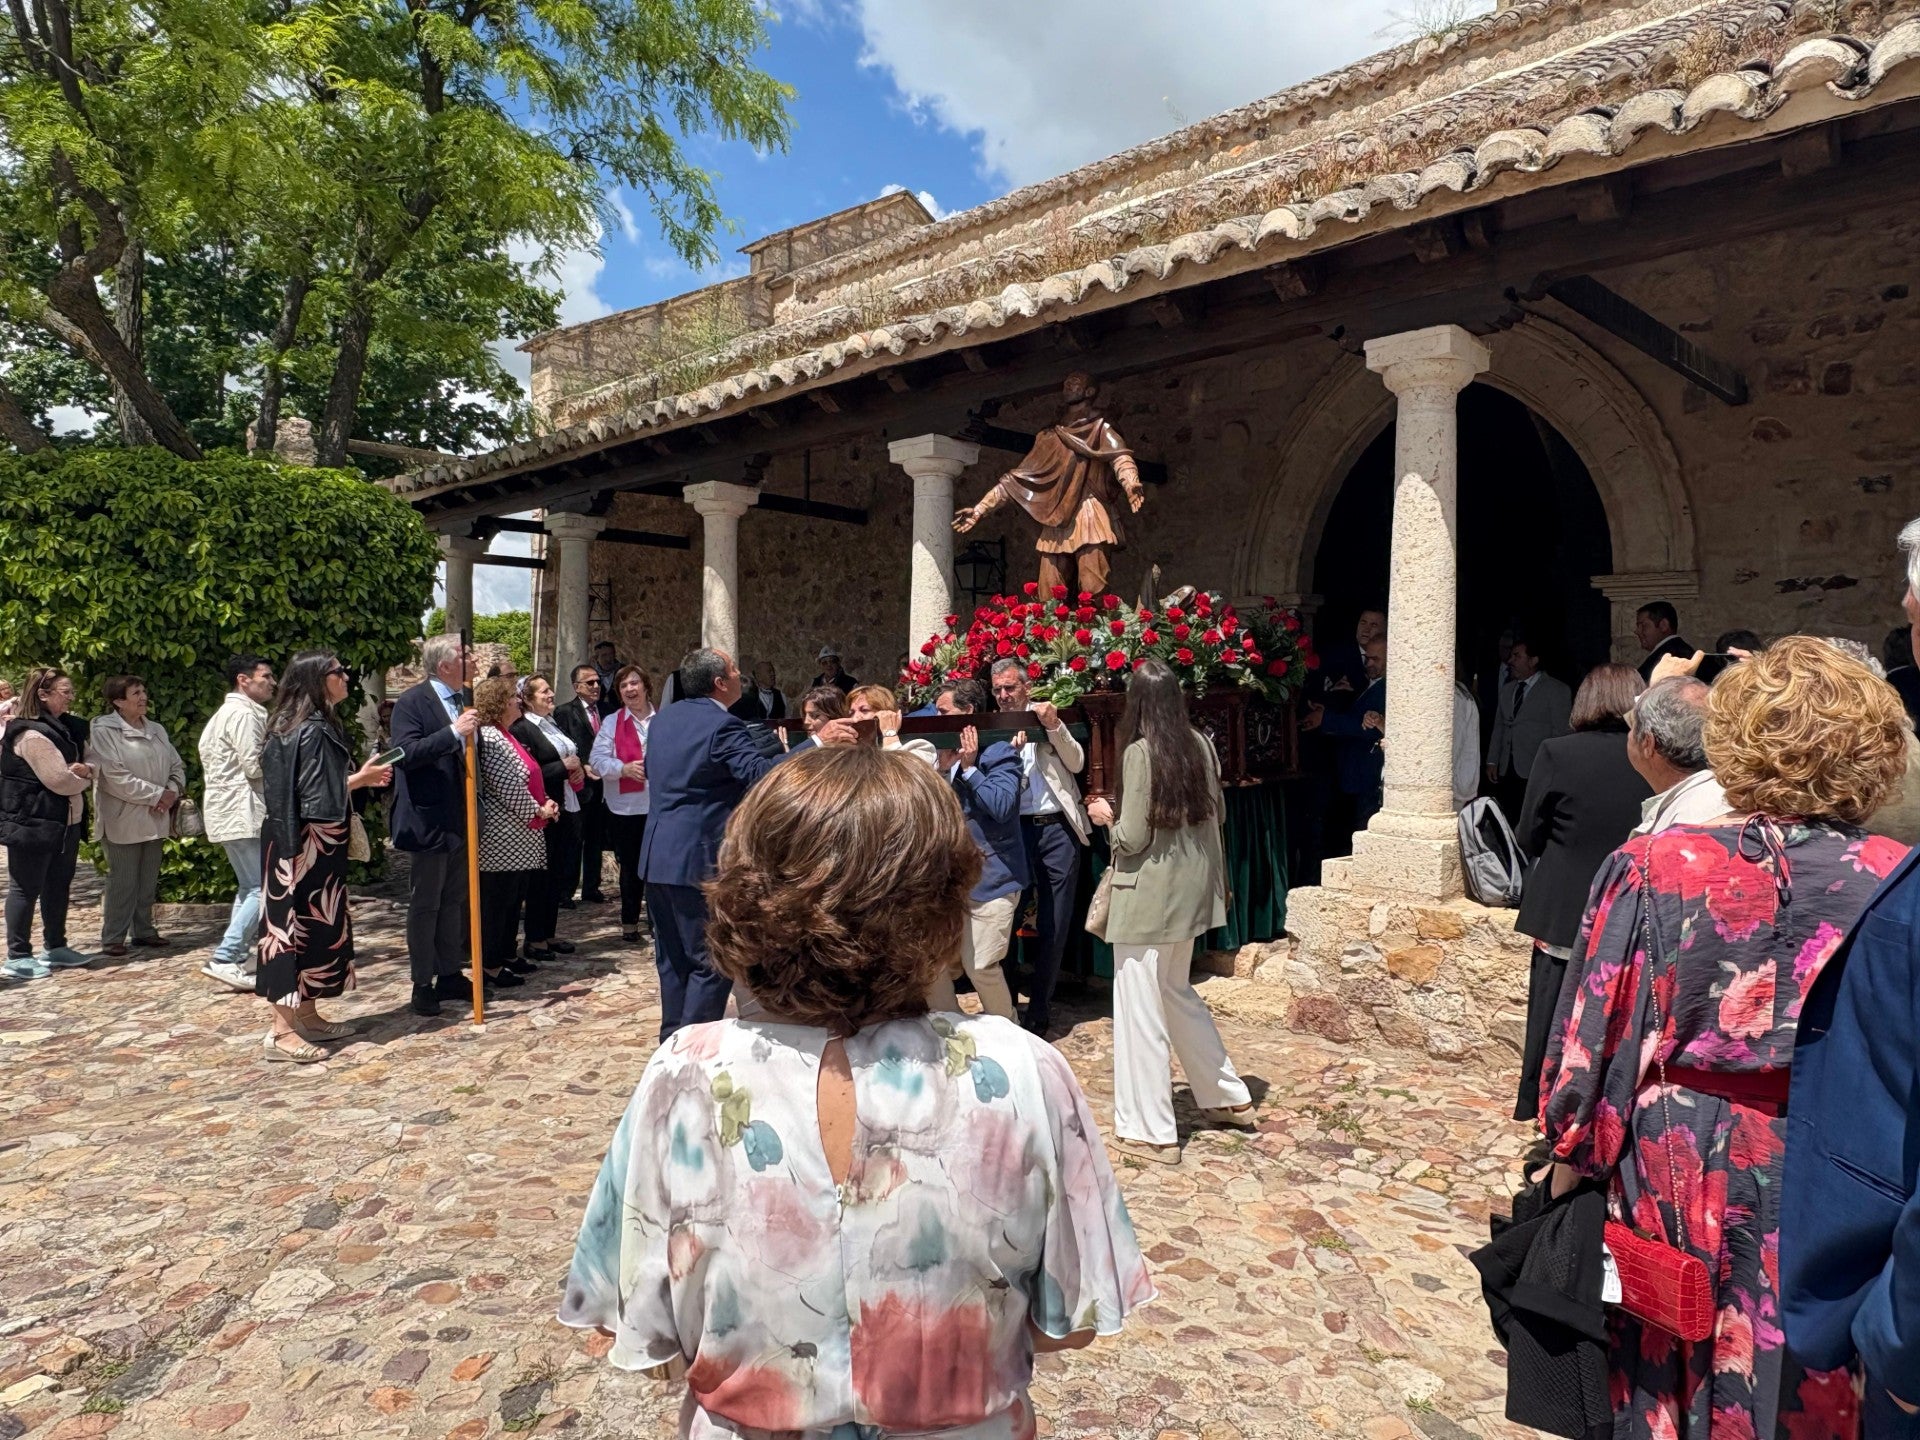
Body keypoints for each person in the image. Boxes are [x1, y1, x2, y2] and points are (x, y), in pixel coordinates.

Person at [558, 745, 1154, 1434]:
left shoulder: (684, 1074)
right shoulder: (1023, 1069)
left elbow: (641, 1334)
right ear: (942, 898)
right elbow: (1070, 1326)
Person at [1540, 635, 1911, 1440]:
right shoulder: (1898, 876)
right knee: (1812, 1383)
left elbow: (1592, 1049)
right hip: (1840, 1165)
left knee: (1670, 1365)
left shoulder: (1654, 867)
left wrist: (1569, 1165)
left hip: (1683, 1164)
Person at [639, 649, 858, 1040]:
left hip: (656, 855)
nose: (741, 675)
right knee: (711, 959)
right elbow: (761, 776)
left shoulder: (663, 720)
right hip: (699, 860)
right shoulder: (722, 725)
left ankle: (670, 1042)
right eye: (735, 670)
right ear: (720, 683)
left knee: (671, 960)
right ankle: (693, 1046)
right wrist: (817, 742)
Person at [1085, 657, 1253, 1165]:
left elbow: (1133, 837)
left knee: (1139, 1009)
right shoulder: (1201, 744)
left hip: (1147, 897)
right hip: (1191, 893)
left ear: (1136, 704)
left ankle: (1150, 1130)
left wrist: (1105, 818)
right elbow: (1217, 816)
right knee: (1176, 993)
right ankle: (1227, 1096)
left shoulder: (1140, 753)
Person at [1510, 663, 1651, 1123]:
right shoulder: (1651, 756)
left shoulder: (1557, 752)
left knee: (1552, 1007)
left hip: (1564, 903)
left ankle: (1540, 1101)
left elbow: (1529, 833)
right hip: (1629, 900)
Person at [257, 651, 393, 1061]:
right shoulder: (310, 728)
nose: (346, 676)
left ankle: (307, 1014)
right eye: (339, 671)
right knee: (292, 930)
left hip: (303, 840)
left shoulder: (299, 723)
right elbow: (313, 795)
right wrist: (362, 779)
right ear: (318, 679)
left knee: (313, 927)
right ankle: (281, 1032)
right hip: (305, 843)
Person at [990, 657, 1089, 1036]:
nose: (1003, 695)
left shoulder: (1046, 717)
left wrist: (1054, 727)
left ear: (1026, 687)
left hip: (1055, 828)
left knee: (1054, 920)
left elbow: (1076, 763)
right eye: (997, 689)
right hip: (1012, 831)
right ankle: (1006, 1004)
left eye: (1009, 687)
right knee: (1005, 918)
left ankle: (1041, 1007)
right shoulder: (991, 726)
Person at [921, 679, 1026, 1022]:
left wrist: (968, 769)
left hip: (992, 881)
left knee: (981, 966)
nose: (937, 719)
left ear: (967, 712)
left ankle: (1008, 1031)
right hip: (952, 884)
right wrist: (943, 770)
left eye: (944, 712)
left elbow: (1001, 805)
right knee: (932, 962)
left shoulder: (999, 752)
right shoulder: (943, 756)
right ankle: (949, 1028)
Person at [389, 634, 483, 1017]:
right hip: (428, 819)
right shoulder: (412, 702)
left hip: (460, 817)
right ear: (445, 666)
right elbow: (404, 753)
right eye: (466, 655)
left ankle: (449, 973)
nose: (474, 660)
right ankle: (422, 981)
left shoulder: (464, 700)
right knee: (426, 902)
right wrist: (453, 733)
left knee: (453, 900)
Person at [0, 669, 93, 979]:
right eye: (65, 692)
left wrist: (86, 770)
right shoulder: (30, 734)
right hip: (32, 823)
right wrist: (84, 777)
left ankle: (55, 945)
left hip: (64, 822)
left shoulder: (66, 728)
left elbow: (91, 762)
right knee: (25, 888)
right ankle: (18, 955)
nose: (71, 698)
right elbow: (60, 780)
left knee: (58, 885)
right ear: (43, 695)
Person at [88, 675, 186, 958]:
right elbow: (115, 776)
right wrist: (157, 795)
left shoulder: (156, 729)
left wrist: (171, 791)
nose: (143, 697)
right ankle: (113, 936)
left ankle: (143, 930)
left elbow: (176, 765)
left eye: (143, 691)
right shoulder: (103, 730)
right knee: (123, 879)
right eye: (135, 693)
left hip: (157, 814)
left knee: (147, 878)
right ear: (118, 701)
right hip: (123, 817)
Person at [197, 654, 275, 992]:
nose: (272, 683)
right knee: (262, 888)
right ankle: (225, 956)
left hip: (230, 810)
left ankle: (237, 956)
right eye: (266, 676)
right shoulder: (244, 714)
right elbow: (255, 766)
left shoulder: (225, 713)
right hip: (243, 810)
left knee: (250, 887)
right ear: (243, 680)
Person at [473, 676, 556, 989]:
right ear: (498, 703)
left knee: (512, 901)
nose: (518, 701)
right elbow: (507, 787)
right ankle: (491, 964)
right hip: (503, 839)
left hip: (519, 838)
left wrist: (545, 802)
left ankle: (506, 953)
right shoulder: (491, 738)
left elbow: (528, 777)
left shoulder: (506, 734)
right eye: (512, 697)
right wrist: (540, 810)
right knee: (499, 903)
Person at [514, 675, 581, 963]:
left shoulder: (550, 723)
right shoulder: (523, 729)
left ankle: (549, 932)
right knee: (541, 877)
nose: (551, 694)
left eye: (550, 689)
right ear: (528, 699)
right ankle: (535, 937)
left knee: (557, 873)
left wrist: (577, 769)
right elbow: (528, 771)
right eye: (543, 691)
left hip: (566, 804)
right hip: (543, 809)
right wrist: (563, 766)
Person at [588, 664, 655, 944]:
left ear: (646, 686)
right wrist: (623, 769)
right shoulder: (612, 722)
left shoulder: (663, 720)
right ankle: (630, 923)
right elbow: (596, 761)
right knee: (630, 868)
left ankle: (657, 922)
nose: (629, 689)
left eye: (634, 683)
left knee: (656, 867)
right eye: (623, 685)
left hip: (658, 805)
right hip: (625, 807)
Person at [1304, 634, 1387, 847]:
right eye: (1367, 658)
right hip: (1351, 776)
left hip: (1367, 778)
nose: (1368, 663)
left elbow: (1369, 729)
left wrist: (1326, 719)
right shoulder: (1367, 683)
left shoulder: (1388, 689)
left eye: (1375, 659)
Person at [1625, 675, 1727, 835]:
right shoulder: (1739, 797)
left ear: (1648, 743)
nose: (1628, 734)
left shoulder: (1675, 830)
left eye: (1632, 725)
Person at [1486, 638, 1572, 823]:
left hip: (1535, 766)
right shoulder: (1507, 690)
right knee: (1508, 816)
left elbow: (1560, 732)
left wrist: (1555, 768)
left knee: (1533, 818)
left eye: (1517, 656)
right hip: (1507, 767)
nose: (1511, 661)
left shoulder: (1556, 690)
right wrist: (1492, 760)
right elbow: (1499, 726)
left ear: (1533, 660)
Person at [555, 665, 609, 904]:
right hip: (578, 785)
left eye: (598, 682)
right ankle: (566, 890)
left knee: (596, 838)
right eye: (590, 683)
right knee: (574, 838)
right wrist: (582, 765)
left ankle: (591, 887)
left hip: (604, 785)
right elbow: (563, 746)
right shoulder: (565, 712)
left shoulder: (607, 711)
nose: (596, 686)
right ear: (577, 687)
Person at [1633, 599, 1693, 682]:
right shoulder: (1680, 650)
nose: (1636, 631)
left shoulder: (1668, 658)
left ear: (1663, 625)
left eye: (1643, 625)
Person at [787, 684, 849, 753]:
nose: (806, 722)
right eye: (804, 715)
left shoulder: (848, 751)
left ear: (835, 717)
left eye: (815, 716)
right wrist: (785, 746)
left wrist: (818, 740)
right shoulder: (805, 745)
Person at [1452, 677, 1482, 812]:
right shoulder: (1463, 695)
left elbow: (1455, 742)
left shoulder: (1456, 696)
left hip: (1451, 782)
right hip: (1459, 779)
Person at [590, 639, 621, 716]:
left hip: (619, 714)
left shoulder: (623, 672)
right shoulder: (591, 674)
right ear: (596, 658)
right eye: (604, 655)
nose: (608, 659)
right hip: (598, 715)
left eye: (611, 654)